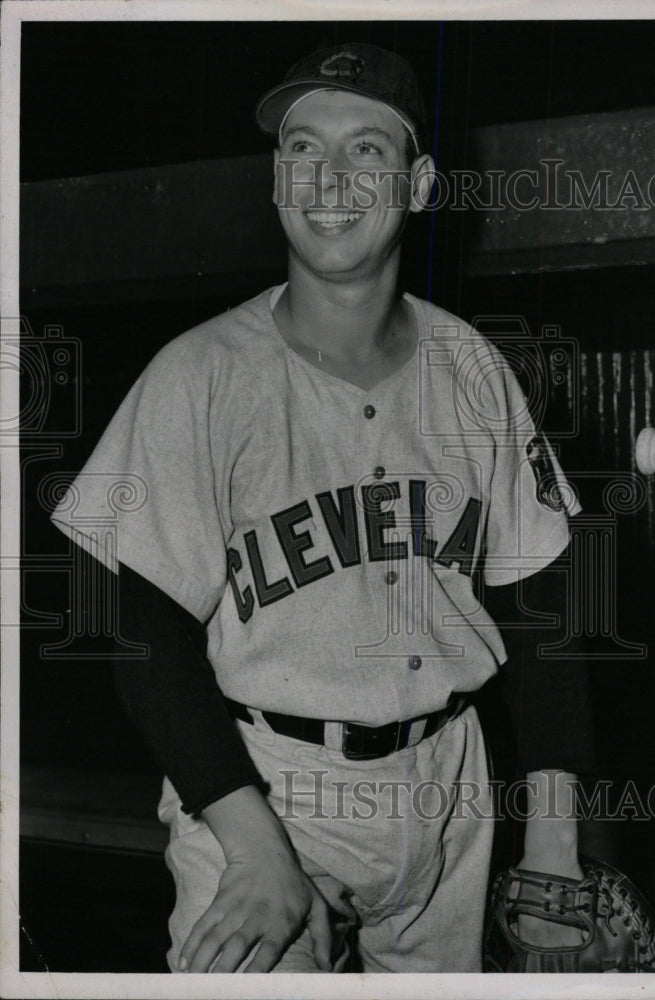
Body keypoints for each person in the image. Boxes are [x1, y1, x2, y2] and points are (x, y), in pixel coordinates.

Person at [51, 42, 594, 973]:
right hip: (262, 786)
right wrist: (257, 849)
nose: (327, 178)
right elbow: (137, 633)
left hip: (448, 792)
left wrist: (554, 849)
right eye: (302, 148)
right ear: (274, 179)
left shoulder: (475, 370)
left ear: (421, 185)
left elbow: (546, 616)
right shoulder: (200, 375)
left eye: (365, 152)